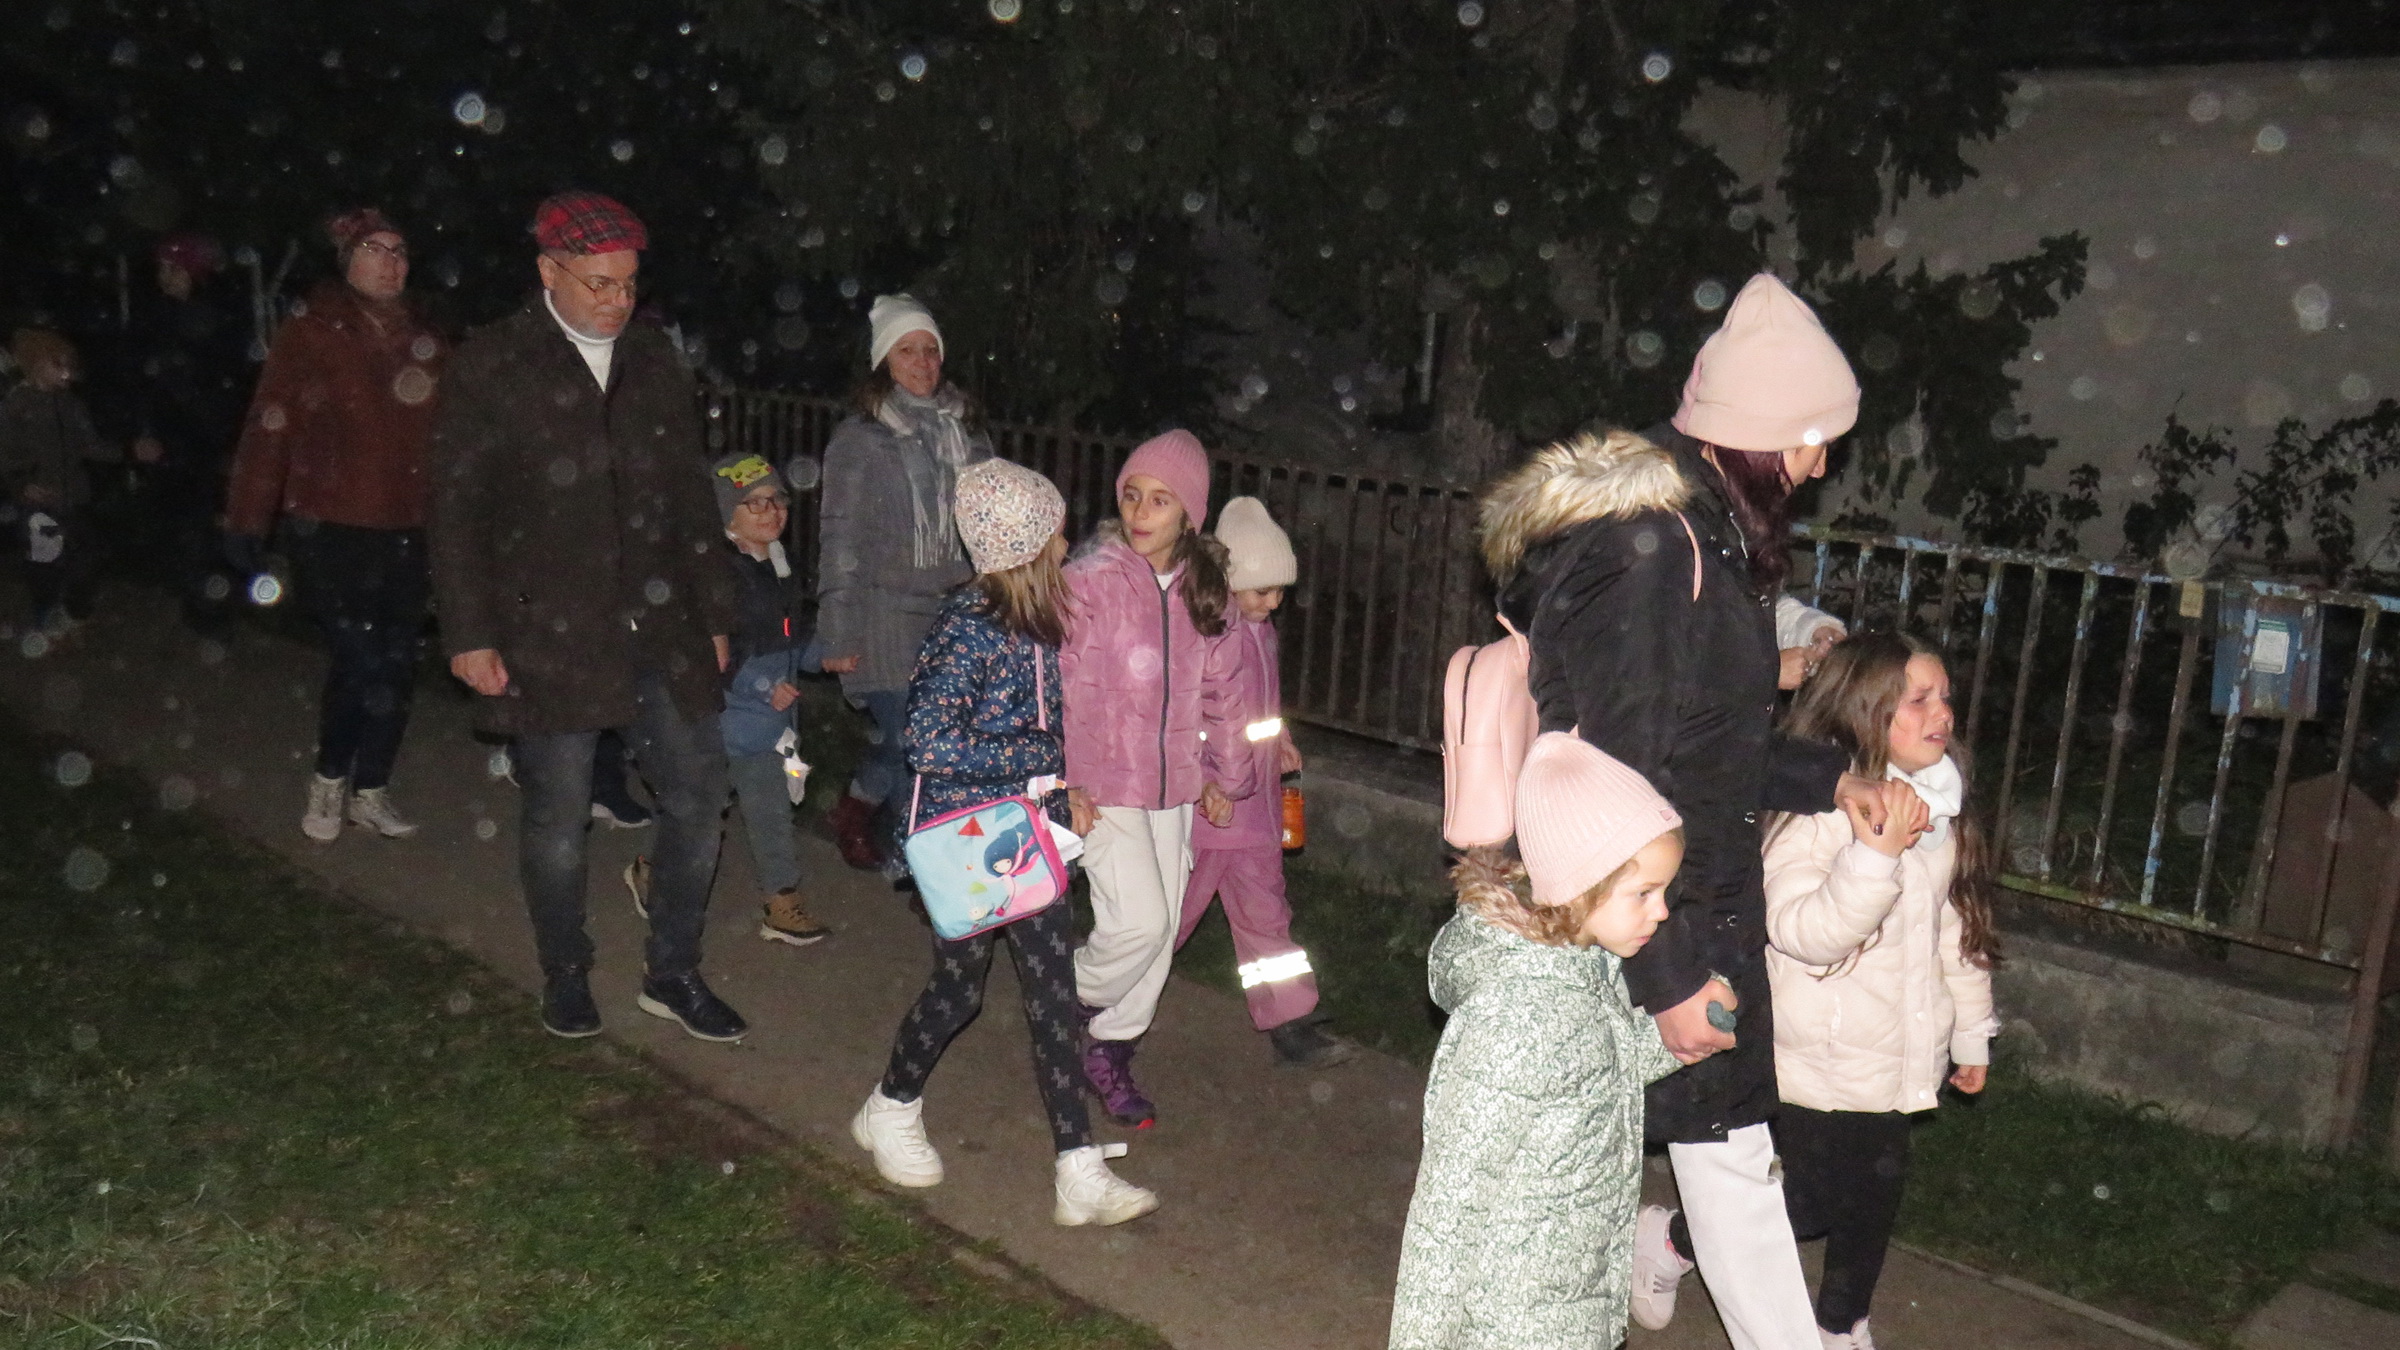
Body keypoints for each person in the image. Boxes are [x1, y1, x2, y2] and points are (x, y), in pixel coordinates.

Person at [1477, 273, 1896, 1350]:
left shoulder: (1705, 533)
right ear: (1751, 434)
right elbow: (1614, 776)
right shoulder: (1657, 552)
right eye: (1811, 441)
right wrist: (1664, 975)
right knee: (1662, 1162)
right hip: (1645, 912)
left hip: (1683, 898)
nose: (1820, 466)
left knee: (1721, 1157)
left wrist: (1827, 783)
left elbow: (1709, 738)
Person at [428, 190, 744, 1043]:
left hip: (659, 620)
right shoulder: (494, 364)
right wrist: (470, 632)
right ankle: (565, 970)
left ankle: (672, 972)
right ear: (549, 272)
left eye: (629, 283)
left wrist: (714, 610)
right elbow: (457, 508)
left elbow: (688, 493)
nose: (617, 300)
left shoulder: (653, 359)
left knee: (698, 795)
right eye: (599, 283)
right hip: (548, 629)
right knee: (559, 818)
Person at [851, 457, 1160, 1228]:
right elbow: (930, 743)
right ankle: (889, 1106)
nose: (1065, 544)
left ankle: (1077, 1170)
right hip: (966, 840)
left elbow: (1028, 739)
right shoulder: (969, 630)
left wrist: (1054, 790)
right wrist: (1039, 758)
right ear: (1026, 546)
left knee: (1052, 994)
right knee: (959, 990)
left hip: (1021, 829)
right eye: (1054, 532)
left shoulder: (1031, 622)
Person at [1388, 732, 1685, 1350]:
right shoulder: (1516, 1019)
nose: (1660, 911)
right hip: (1515, 1321)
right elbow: (1449, 1210)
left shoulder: (1585, 964)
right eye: (1644, 893)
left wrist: (1674, 1040)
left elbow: (1592, 1066)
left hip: (1574, 1305)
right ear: (1579, 886)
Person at [1762, 633, 1998, 1350]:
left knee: (1873, 1200)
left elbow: (1954, 932)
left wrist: (1971, 1034)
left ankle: (1840, 1324)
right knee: (1805, 1204)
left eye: (1945, 697)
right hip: (1816, 1059)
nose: (1943, 713)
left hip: (1898, 1055)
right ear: (1864, 712)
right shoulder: (1819, 812)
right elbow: (1803, 933)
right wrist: (1874, 856)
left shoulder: (1937, 808)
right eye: (1918, 700)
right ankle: (1677, 1240)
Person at [224, 207, 446, 843]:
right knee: (358, 657)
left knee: (397, 663)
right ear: (347, 260)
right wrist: (247, 517)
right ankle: (328, 777)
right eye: (376, 249)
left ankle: (371, 787)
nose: (391, 262)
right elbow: (270, 425)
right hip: (330, 524)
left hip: (409, 526)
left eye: (400, 251)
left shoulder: (429, 339)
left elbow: (455, 435)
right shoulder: (312, 332)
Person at [1062, 430, 1252, 1129]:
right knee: (1138, 924)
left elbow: (1224, 693)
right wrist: (1067, 781)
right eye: (1132, 496)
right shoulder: (1090, 581)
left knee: (1164, 928)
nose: (1141, 513)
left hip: (1173, 785)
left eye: (1161, 501)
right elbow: (1060, 685)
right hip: (1100, 783)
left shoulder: (1206, 591)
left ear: (1190, 514)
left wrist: (1223, 775)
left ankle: (1108, 1047)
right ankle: (1064, 996)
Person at [814, 294, 990, 871]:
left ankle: (867, 814)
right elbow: (841, 538)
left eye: (930, 350)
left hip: (954, 615)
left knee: (931, 747)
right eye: (907, 351)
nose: (922, 363)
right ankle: (918, 865)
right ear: (883, 362)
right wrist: (838, 631)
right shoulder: (860, 440)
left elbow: (991, 523)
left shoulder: (968, 434)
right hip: (885, 615)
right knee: (912, 744)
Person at [1176, 495, 1349, 1069]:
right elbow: (1194, 720)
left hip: (1255, 811)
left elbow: (1261, 709)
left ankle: (1289, 1018)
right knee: (1169, 917)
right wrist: (1207, 783)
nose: (1273, 602)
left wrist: (1280, 742)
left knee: (1267, 915)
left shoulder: (1260, 631)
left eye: (1280, 592)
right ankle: (1103, 1001)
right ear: (1229, 581)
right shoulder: (1210, 633)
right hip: (1213, 813)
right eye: (1263, 590)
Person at [699, 448, 831, 946]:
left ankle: (781, 901)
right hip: (721, 719)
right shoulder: (717, 572)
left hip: (767, 726)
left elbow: (789, 636)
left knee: (770, 810)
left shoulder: (779, 563)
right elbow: (718, 652)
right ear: (726, 512)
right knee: (700, 814)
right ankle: (655, 868)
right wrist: (760, 685)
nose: (772, 511)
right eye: (755, 502)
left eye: (778, 500)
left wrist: (825, 657)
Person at [120, 232, 250, 633]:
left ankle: (215, 614)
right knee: (179, 528)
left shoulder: (220, 319)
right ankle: (197, 607)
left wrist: (233, 440)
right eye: (162, 268)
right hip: (169, 440)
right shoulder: (151, 319)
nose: (166, 276)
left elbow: (235, 385)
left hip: (210, 441)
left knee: (212, 530)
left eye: (174, 269)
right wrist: (140, 431)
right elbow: (137, 382)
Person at [1, 328, 144, 633]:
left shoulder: (71, 404)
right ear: (38, 363)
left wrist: (129, 450)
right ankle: (46, 623)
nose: (67, 373)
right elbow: (4, 452)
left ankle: (74, 615)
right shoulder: (17, 404)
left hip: (75, 497)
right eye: (59, 365)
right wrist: (21, 484)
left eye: (69, 365)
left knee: (88, 557)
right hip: (39, 502)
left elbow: (90, 446)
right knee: (46, 565)